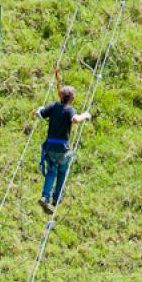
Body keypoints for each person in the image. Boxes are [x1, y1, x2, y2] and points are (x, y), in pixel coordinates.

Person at [36, 78, 91, 215]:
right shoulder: (70, 110)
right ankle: (56, 198)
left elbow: (39, 114)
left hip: (50, 147)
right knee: (62, 172)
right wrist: (86, 115)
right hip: (62, 149)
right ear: (72, 99)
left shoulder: (53, 106)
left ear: (60, 96)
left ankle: (45, 196)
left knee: (51, 172)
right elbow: (76, 120)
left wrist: (40, 109)